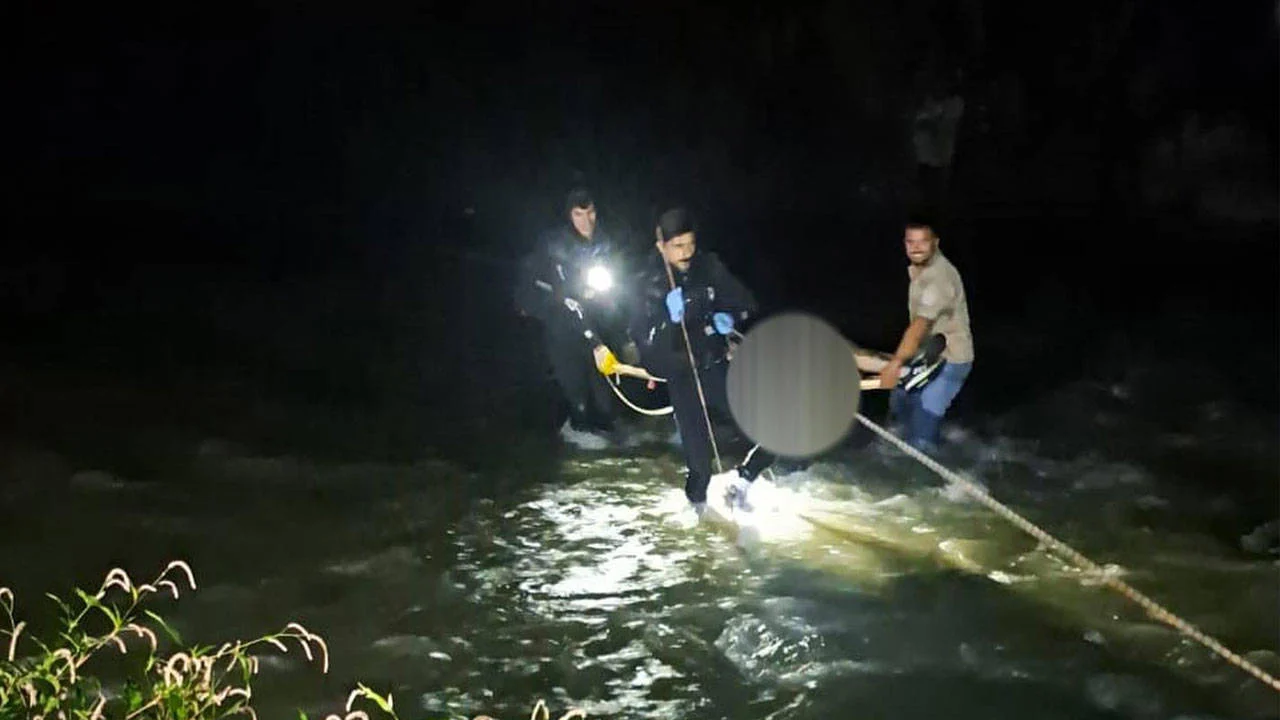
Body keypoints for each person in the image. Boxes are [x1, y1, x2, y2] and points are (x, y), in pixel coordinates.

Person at [628, 207, 775, 514]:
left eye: (690, 244)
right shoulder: (646, 283)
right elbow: (649, 356)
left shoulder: (708, 267)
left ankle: (743, 481)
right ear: (661, 246)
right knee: (700, 467)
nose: (686, 253)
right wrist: (667, 322)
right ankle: (698, 518)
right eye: (678, 246)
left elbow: (747, 303)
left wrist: (729, 316)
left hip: (716, 364)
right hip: (682, 375)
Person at [513, 187, 637, 446]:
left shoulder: (605, 243)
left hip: (596, 323)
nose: (586, 221)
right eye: (579, 214)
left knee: (604, 394)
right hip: (562, 326)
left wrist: (625, 338)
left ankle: (608, 427)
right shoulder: (555, 245)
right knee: (575, 389)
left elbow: (619, 294)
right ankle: (574, 431)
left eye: (591, 213)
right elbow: (562, 297)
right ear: (569, 215)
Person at [860, 218, 974, 454]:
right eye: (910, 242)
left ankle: (932, 462)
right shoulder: (919, 269)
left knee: (920, 438)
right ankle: (941, 436)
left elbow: (920, 325)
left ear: (935, 243)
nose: (916, 248)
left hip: (950, 361)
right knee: (898, 413)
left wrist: (895, 364)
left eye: (923, 242)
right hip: (925, 355)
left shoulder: (940, 279)